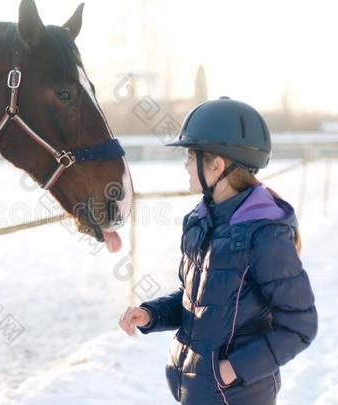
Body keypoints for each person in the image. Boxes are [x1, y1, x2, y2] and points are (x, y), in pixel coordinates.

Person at [118, 97, 318, 405]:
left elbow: (300, 326)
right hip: (197, 393)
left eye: (189, 156)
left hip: (237, 396)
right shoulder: (200, 222)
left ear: (216, 165)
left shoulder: (265, 234)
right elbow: (196, 300)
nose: (185, 165)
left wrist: (232, 370)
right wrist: (151, 314)